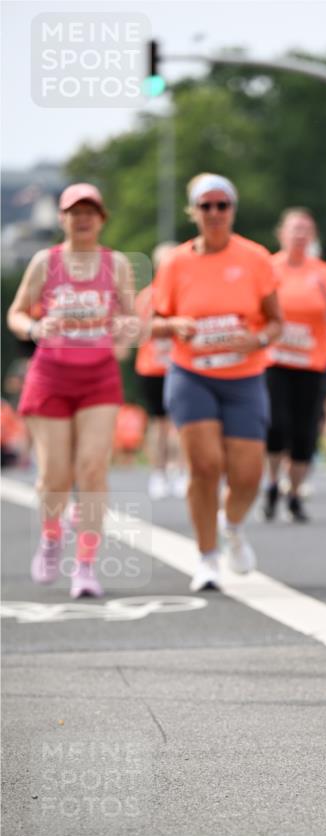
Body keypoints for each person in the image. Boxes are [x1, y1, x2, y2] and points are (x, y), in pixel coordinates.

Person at [151, 173, 282, 592]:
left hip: (244, 376)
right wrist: (174, 324)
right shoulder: (176, 263)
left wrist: (256, 338)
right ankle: (207, 558)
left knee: (247, 475)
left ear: (232, 210)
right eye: (205, 206)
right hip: (192, 374)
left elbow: (277, 322)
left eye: (221, 205)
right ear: (193, 212)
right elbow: (152, 322)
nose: (214, 214)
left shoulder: (256, 258)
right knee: (204, 467)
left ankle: (234, 526)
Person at [7, 183, 138, 598]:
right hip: (51, 376)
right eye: (74, 211)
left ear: (101, 220)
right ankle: (51, 536)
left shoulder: (116, 265)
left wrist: (122, 334)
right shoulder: (45, 263)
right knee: (54, 477)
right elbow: (15, 312)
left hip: (98, 376)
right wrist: (33, 327)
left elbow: (132, 318)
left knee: (93, 470)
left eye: (91, 211)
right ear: (62, 218)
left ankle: (85, 565)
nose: (82, 218)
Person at [264, 208, 326, 522]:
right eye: (294, 229)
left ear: (312, 236)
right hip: (275, 361)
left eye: (305, 230)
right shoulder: (269, 268)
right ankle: (272, 483)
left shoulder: (324, 273)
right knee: (275, 425)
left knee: (304, 433)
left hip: (312, 364)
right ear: (281, 234)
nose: (299, 235)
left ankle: (294, 494)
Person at [134, 242, 187, 500]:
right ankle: (159, 473)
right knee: (159, 423)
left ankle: (180, 471)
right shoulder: (147, 295)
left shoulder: (186, 292)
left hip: (181, 364)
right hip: (153, 366)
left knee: (183, 422)